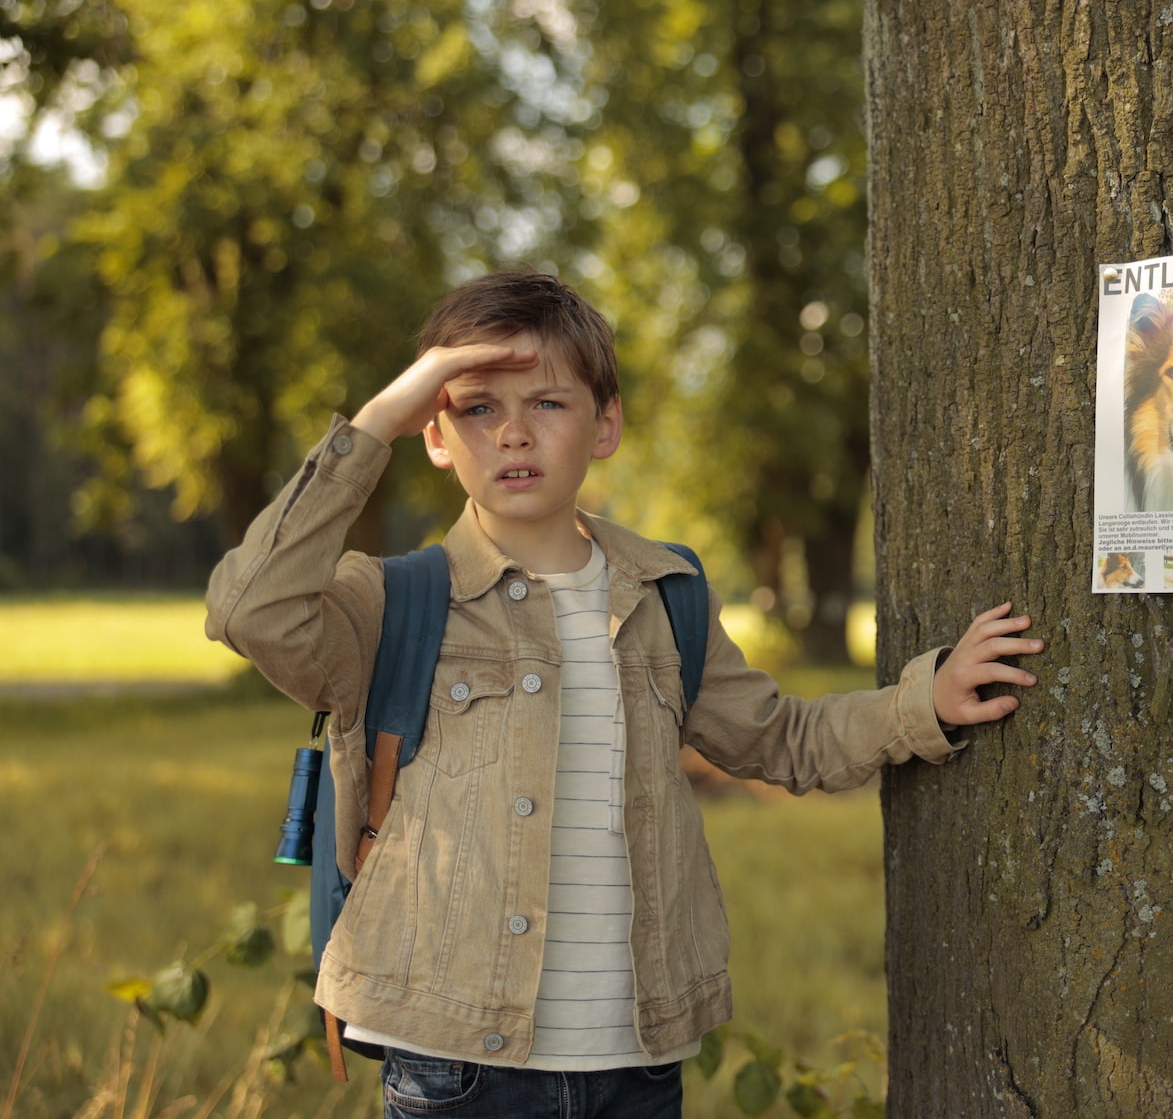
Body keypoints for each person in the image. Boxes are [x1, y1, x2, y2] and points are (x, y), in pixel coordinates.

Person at [205, 270, 1039, 1119]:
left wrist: (922, 703)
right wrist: (380, 418)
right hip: (455, 1067)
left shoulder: (664, 594)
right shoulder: (390, 604)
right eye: (478, 409)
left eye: (549, 405)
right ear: (436, 435)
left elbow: (780, 740)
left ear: (605, 426)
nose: (514, 434)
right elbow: (248, 608)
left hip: (637, 1063)